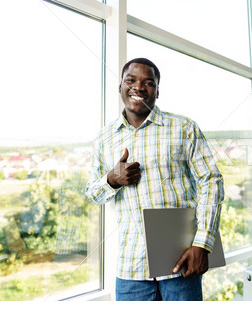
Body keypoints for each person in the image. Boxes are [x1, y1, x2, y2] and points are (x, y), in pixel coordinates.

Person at [85, 57, 224, 301]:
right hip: (131, 269)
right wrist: (112, 179)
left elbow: (211, 181)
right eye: (131, 80)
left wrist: (203, 244)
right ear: (120, 87)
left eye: (148, 82)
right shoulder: (104, 139)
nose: (138, 87)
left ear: (157, 91)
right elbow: (92, 193)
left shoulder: (183, 128)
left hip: (181, 262)